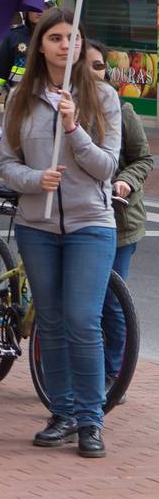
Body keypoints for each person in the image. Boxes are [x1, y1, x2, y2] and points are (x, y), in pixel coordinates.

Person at [0, 10, 120, 457]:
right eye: (57, 37)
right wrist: (34, 179)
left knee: (83, 320)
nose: (67, 44)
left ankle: (90, 421)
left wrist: (73, 128)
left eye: (75, 37)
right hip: (38, 225)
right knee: (50, 322)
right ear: (40, 45)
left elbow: (106, 167)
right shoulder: (20, 100)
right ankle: (61, 413)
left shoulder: (102, 96)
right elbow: (5, 162)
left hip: (90, 224)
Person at [83, 40, 150, 394]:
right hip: (74, 219)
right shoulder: (62, 108)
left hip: (120, 221)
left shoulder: (122, 110)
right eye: (88, 66)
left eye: (100, 67)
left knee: (111, 299)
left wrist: (125, 180)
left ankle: (112, 374)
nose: (96, 74)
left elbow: (143, 159)